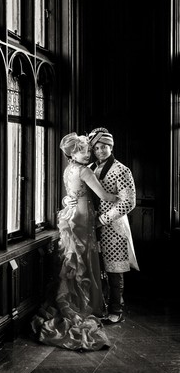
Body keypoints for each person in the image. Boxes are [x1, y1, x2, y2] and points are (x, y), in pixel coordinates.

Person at [31, 132, 118, 351]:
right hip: (83, 215)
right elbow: (104, 196)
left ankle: (77, 298)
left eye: (88, 149)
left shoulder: (69, 169)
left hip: (71, 214)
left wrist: (65, 200)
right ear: (73, 153)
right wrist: (123, 197)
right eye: (83, 150)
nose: (88, 152)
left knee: (74, 256)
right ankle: (82, 302)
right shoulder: (85, 170)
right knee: (83, 258)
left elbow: (70, 193)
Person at [87, 127, 138, 325]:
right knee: (95, 268)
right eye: (97, 147)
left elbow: (128, 202)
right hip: (90, 226)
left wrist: (102, 220)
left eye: (105, 147)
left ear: (111, 147)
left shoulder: (121, 170)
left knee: (114, 270)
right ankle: (99, 308)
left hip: (113, 227)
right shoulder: (90, 168)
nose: (101, 151)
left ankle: (116, 309)